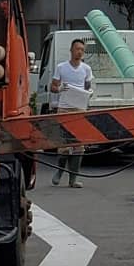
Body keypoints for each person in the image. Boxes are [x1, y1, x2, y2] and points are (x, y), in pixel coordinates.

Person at [50, 38, 94, 187]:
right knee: (63, 144)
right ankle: (59, 171)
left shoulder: (86, 69)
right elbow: (53, 87)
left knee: (78, 145)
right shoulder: (61, 67)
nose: (80, 52)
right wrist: (60, 88)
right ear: (71, 50)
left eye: (82, 49)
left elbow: (87, 87)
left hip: (79, 108)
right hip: (64, 107)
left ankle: (73, 179)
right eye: (77, 49)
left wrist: (89, 94)